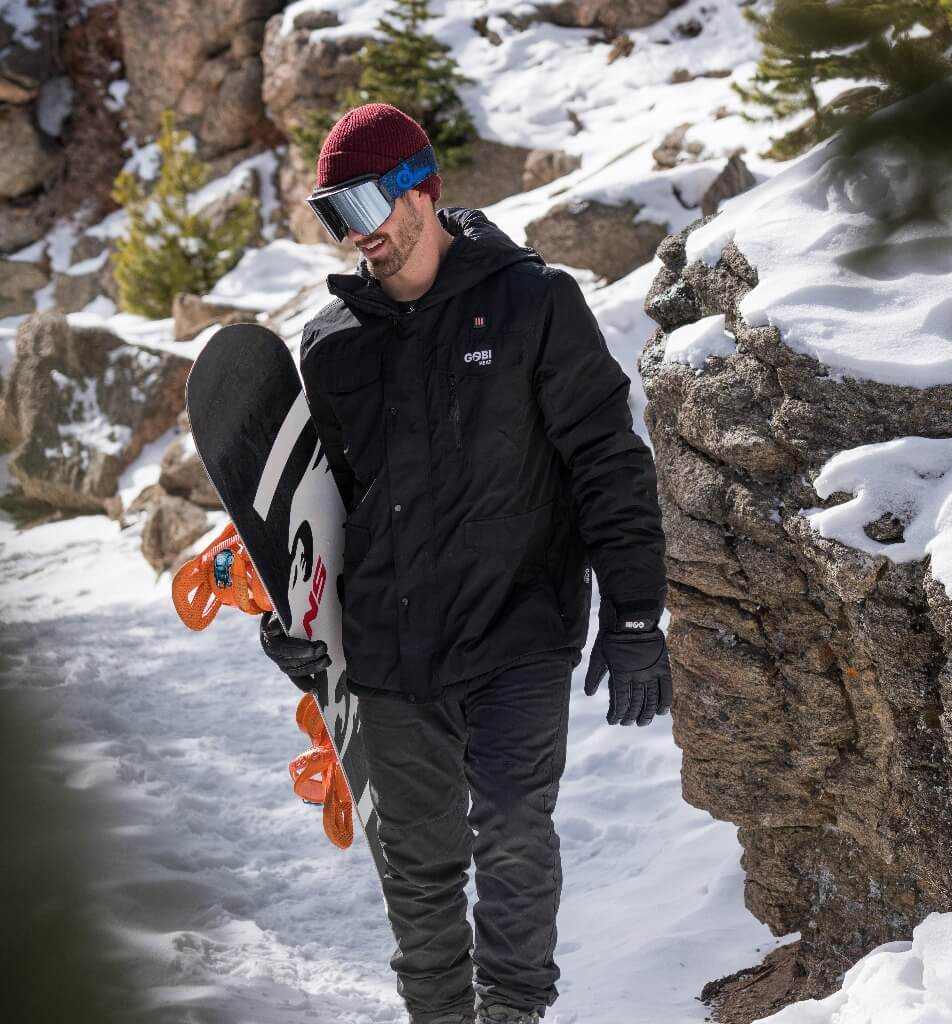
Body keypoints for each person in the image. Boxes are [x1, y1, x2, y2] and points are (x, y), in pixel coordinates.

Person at [259, 102, 671, 1024]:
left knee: (516, 834)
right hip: (391, 651)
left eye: (366, 201)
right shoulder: (330, 345)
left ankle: (515, 1013)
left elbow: (607, 460)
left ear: (424, 189)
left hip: (516, 630)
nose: (356, 233)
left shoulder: (532, 303)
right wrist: (295, 619)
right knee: (418, 869)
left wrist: (636, 614)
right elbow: (322, 515)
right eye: (334, 213)